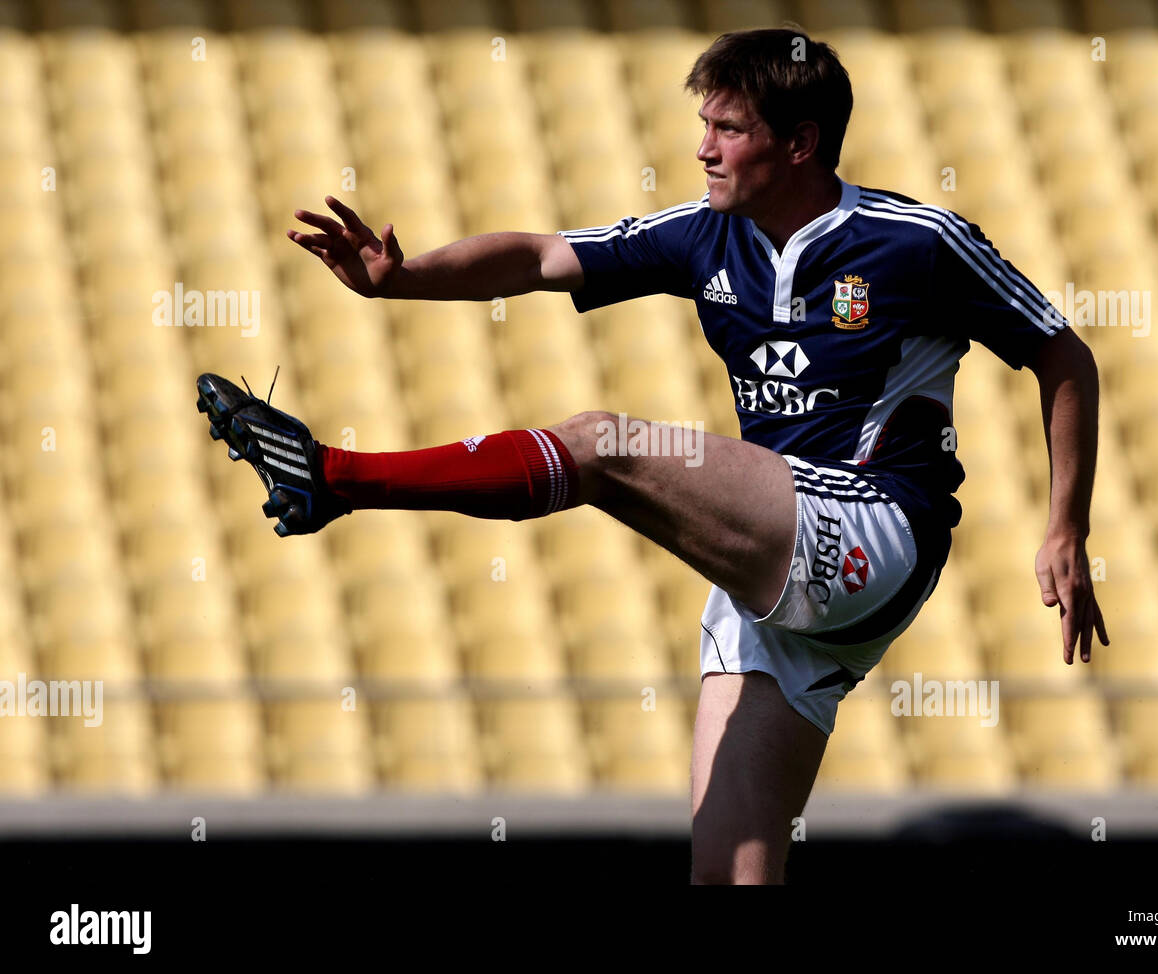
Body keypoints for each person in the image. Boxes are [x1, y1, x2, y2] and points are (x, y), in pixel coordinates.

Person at [198, 27, 1107, 884]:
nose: (703, 148)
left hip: (875, 529)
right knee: (730, 872)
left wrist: (1064, 526)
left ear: (800, 143)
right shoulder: (705, 233)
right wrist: (404, 280)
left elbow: (1060, 350)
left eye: (727, 128)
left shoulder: (919, 243)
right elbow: (544, 256)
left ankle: (333, 477)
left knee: (604, 445)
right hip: (780, 566)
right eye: (702, 125)